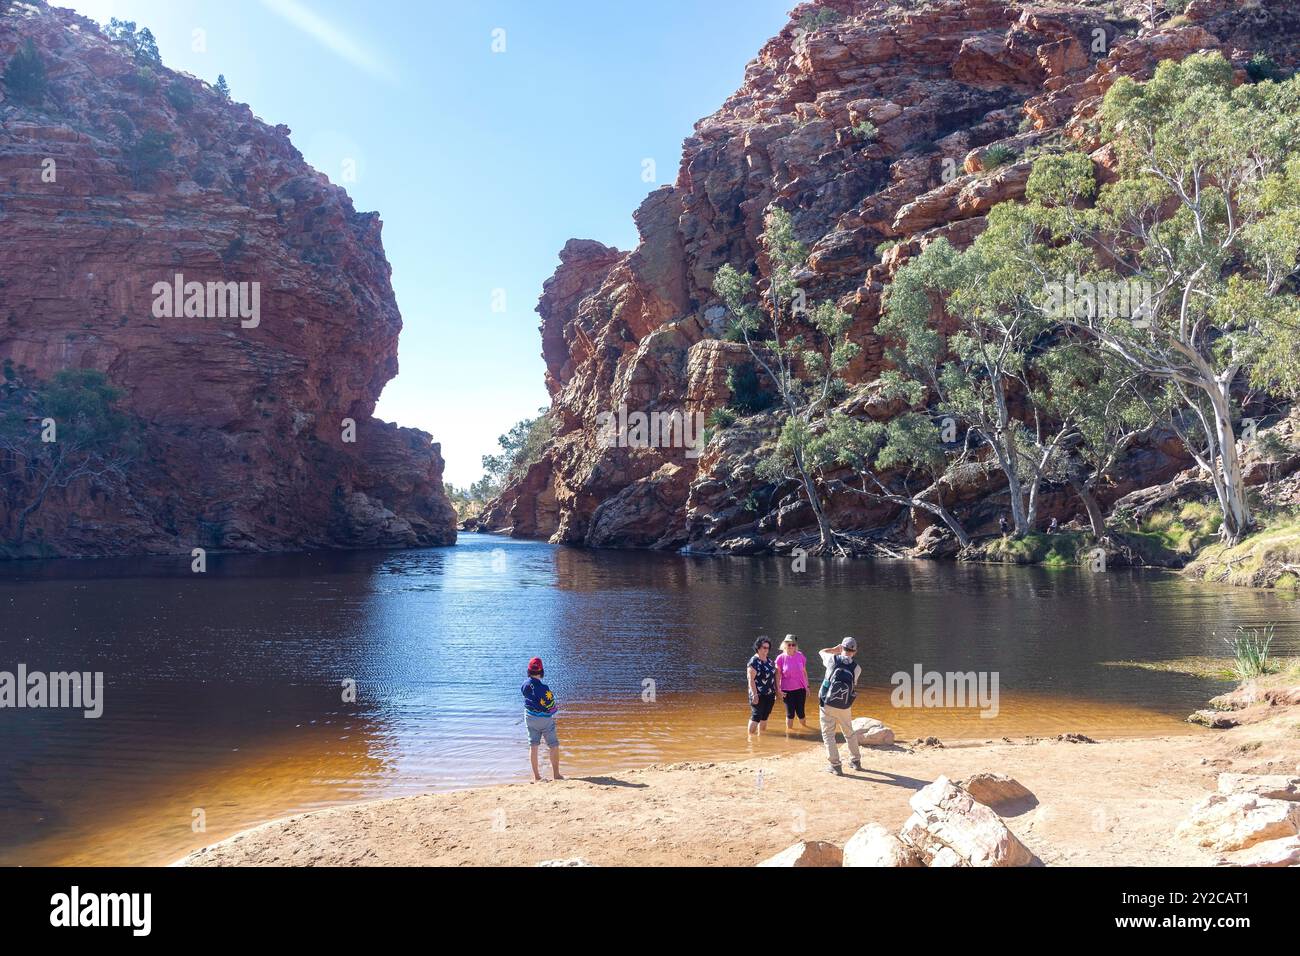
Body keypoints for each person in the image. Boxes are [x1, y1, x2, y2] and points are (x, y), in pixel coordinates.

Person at [817, 637, 863, 774]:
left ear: (842, 648)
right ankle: (855, 761)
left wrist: (833, 650)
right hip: (845, 705)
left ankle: (835, 765)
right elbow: (854, 684)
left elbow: (820, 651)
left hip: (827, 703)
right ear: (854, 651)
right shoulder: (857, 668)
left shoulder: (832, 659)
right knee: (849, 732)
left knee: (828, 734)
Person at [521, 656, 562, 782]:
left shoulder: (524, 685)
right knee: (553, 745)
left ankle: (537, 777)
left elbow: (525, 696)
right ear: (541, 671)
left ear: (529, 671)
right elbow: (551, 706)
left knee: (533, 746)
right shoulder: (545, 689)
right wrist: (554, 709)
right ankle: (556, 775)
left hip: (530, 718)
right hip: (544, 720)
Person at [774, 634, 810, 730]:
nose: (791, 647)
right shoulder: (780, 658)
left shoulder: (800, 656)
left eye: (793, 644)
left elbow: (804, 672)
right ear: (785, 645)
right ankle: (790, 735)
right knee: (790, 714)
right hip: (787, 690)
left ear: (795, 646)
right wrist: (778, 690)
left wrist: (807, 687)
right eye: (788, 644)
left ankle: (805, 730)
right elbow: (777, 675)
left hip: (801, 689)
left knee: (801, 712)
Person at [746, 636, 777, 735]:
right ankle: (750, 740)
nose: (766, 650)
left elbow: (774, 675)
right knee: (756, 716)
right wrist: (754, 695)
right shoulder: (753, 662)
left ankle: (761, 738)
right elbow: (750, 680)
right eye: (764, 647)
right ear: (758, 648)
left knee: (765, 716)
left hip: (770, 694)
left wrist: (777, 690)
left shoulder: (769, 661)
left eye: (768, 648)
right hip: (758, 694)